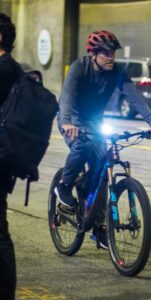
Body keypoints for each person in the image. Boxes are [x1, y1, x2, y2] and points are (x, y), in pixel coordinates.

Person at [55, 30, 151, 249]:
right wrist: (67, 122)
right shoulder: (79, 67)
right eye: (105, 53)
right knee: (83, 145)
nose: (110, 57)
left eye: (112, 52)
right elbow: (66, 96)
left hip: (95, 122)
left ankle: (99, 227)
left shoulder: (118, 72)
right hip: (73, 120)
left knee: (104, 172)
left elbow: (135, 97)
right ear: (93, 54)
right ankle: (64, 185)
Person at [0, 12, 22, 300]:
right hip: (5, 158)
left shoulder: (4, 69)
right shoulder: (12, 68)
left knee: (0, 236)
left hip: (1, 159)